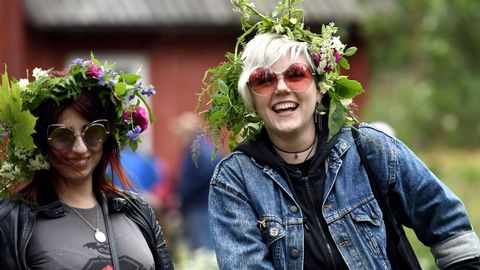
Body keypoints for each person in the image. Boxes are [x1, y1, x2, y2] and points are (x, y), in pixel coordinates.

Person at [196, 1, 480, 269]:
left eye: (296, 74)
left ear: (319, 88)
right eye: (265, 79)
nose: (281, 88)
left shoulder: (369, 149)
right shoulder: (236, 181)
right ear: (252, 99)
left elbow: (449, 226)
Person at [0, 56, 174, 269]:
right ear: (39, 142)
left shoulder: (136, 211)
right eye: (62, 136)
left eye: (93, 132)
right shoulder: (11, 220)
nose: (80, 148)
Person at [172, 111, 221, 251]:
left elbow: (203, 174)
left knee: (202, 249)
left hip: (199, 205)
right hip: (203, 204)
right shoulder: (205, 147)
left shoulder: (197, 150)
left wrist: (182, 194)